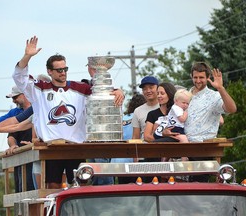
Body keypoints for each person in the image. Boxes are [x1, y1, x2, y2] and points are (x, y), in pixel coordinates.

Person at [12, 36, 124, 189]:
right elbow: (20, 77)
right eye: (59, 70)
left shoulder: (81, 89)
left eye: (65, 69)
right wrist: (28, 56)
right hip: (52, 148)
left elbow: (101, 92)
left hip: (75, 148)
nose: (63, 73)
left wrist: (117, 91)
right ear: (49, 71)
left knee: (81, 185)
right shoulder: (40, 89)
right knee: (53, 186)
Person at [162, 62, 237, 182]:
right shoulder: (184, 95)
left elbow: (232, 109)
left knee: (198, 190)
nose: (198, 80)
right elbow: (172, 119)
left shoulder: (214, 96)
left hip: (202, 149)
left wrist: (220, 88)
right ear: (191, 77)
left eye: (201, 77)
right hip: (181, 148)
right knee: (175, 191)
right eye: (195, 77)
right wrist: (165, 131)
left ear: (208, 78)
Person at [111, 93, 146, 184]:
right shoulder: (141, 117)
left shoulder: (122, 118)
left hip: (118, 157)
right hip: (134, 156)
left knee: (122, 185)